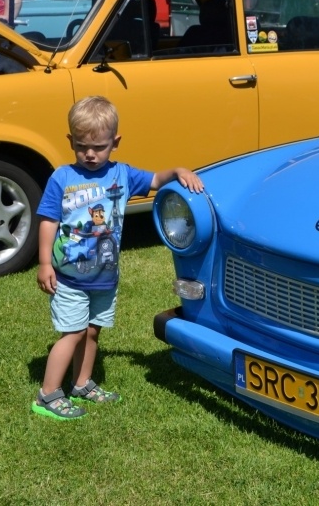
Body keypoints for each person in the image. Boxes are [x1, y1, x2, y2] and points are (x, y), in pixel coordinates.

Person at [32, 95, 204, 420]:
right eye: (82, 146)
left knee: (93, 330)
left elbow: (154, 180)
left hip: (105, 275)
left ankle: (81, 382)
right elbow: (48, 220)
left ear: (116, 141)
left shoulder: (122, 175)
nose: (91, 154)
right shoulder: (62, 178)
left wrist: (178, 171)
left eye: (99, 146)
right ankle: (47, 394)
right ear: (70, 141)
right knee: (73, 333)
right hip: (69, 276)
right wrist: (44, 263)